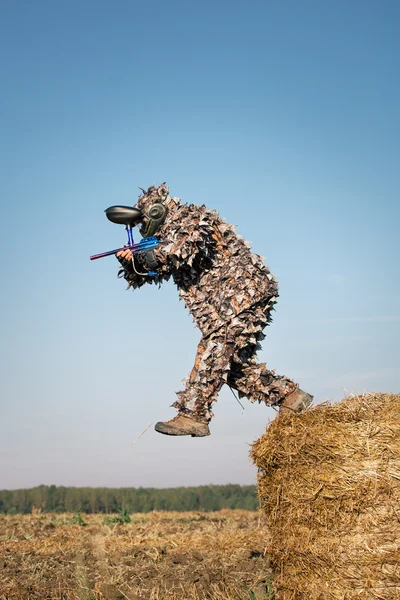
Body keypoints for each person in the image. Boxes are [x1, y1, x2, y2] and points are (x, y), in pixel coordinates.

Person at [116, 183, 312, 437]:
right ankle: (291, 396)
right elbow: (149, 272)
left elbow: (181, 249)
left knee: (214, 350)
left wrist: (142, 256)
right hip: (227, 306)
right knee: (230, 368)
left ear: (155, 211)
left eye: (143, 220)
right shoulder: (164, 237)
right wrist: (131, 264)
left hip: (242, 295)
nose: (143, 227)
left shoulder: (189, 218)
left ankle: (193, 415)